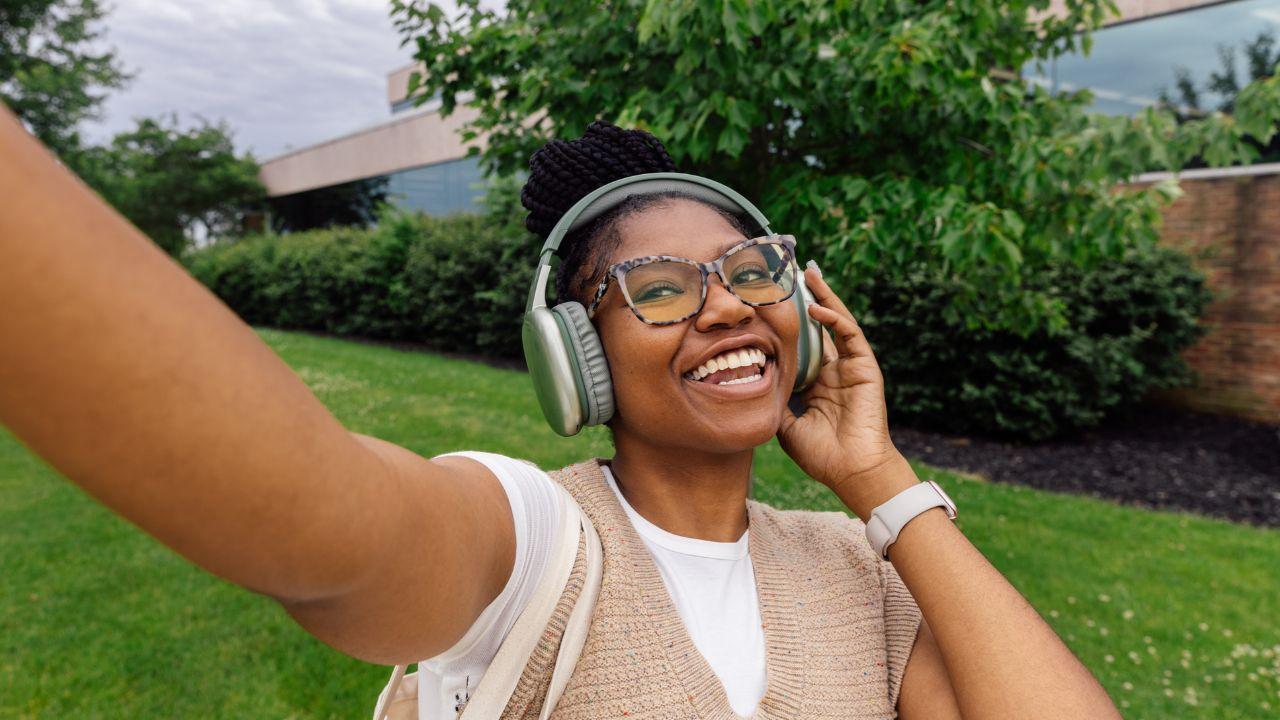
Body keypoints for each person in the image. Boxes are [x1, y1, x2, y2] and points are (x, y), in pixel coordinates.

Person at [0, 102, 1121, 719]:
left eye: (749, 271)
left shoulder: (859, 567)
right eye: (661, 289)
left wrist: (879, 484)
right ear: (574, 351)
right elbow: (315, 518)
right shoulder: (531, 540)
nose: (725, 307)